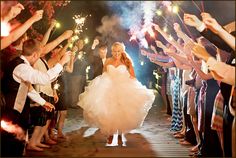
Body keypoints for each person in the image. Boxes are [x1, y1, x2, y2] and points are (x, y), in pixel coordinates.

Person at [78, 42, 155, 146]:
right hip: (109, 88)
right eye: (114, 51)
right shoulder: (108, 61)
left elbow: (133, 76)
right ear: (112, 51)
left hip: (122, 88)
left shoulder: (126, 61)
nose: (116, 53)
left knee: (120, 111)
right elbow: (104, 74)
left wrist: (132, 87)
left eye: (119, 51)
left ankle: (119, 135)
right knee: (109, 111)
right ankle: (110, 134)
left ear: (122, 51)